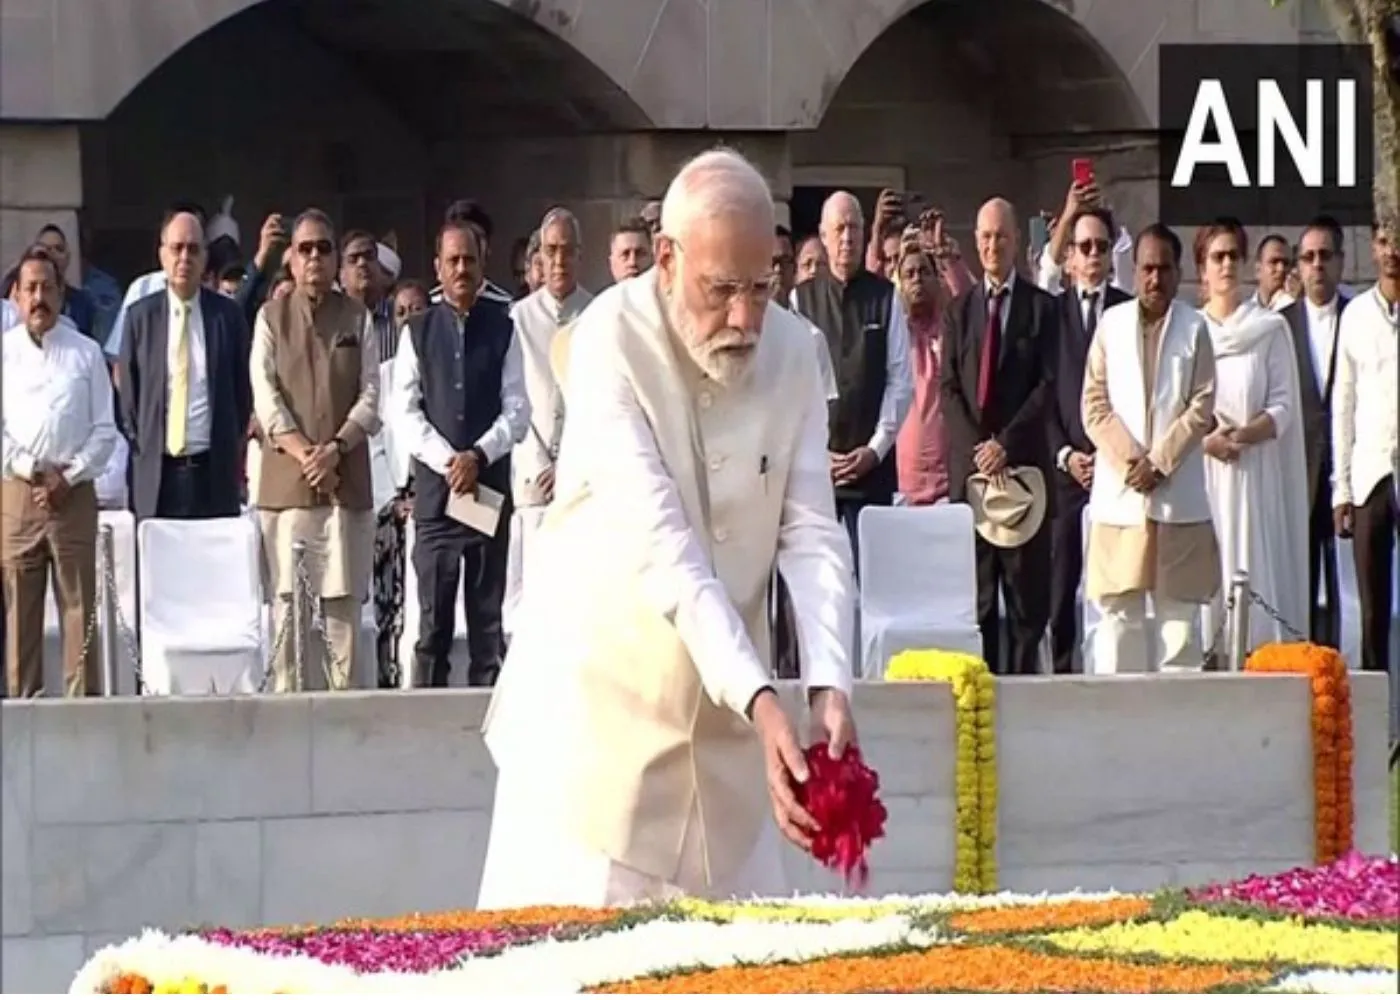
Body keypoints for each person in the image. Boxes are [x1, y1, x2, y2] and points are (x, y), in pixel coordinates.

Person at [478, 148, 855, 908]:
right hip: (593, 746)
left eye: (762, 285)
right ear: (665, 259)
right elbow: (664, 549)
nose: (746, 318)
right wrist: (763, 698)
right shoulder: (607, 341)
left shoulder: (794, 352)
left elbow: (812, 531)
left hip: (729, 753)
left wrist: (829, 684)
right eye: (721, 290)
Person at [391, 221, 528, 688]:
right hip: (436, 500)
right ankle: (426, 731)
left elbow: (518, 410)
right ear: (438, 268)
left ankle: (485, 732)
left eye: (469, 259)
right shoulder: (418, 330)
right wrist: (450, 461)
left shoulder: (504, 328)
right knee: (432, 630)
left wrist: (478, 456)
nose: (462, 269)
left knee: (487, 628)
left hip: (486, 493)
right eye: (453, 261)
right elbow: (404, 412)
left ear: (482, 263)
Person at [1081, 224, 1220, 673]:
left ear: (1178, 274)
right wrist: (1131, 462)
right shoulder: (1111, 325)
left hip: (1177, 495)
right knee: (1119, 617)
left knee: (1179, 620)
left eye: (1163, 268)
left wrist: (1159, 463)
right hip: (1121, 496)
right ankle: (1114, 726)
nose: (1154, 278)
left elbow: (1202, 405)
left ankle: (1180, 731)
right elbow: (1094, 403)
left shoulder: (1195, 327)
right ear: (1134, 271)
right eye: (1146, 268)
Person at [252, 209, 380, 692]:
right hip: (287, 490)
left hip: (344, 486)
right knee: (288, 612)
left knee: (342, 613)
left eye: (324, 248)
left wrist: (334, 450)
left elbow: (371, 395)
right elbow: (265, 398)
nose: (314, 258)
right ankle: (286, 724)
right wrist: (308, 454)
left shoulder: (357, 316)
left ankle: (346, 723)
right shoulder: (270, 317)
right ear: (290, 258)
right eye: (305, 248)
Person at [939, 197, 1057, 676]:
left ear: (1016, 242)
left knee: (1027, 605)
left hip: (1023, 471)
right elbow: (948, 388)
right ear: (976, 243)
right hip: (973, 479)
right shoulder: (958, 311)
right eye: (985, 237)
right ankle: (981, 708)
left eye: (1001, 237)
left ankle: (1027, 700)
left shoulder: (1042, 310)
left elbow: (1049, 386)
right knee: (979, 601)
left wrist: (1005, 444)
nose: (992, 246)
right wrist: (980, 450)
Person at [2, 246, 116, 697]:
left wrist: (67, 478)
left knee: (79, 611)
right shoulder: (4, 353)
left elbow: (105, 431)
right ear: (15, 296)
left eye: (47, 287)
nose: (38, 297)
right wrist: (32, 470)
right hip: (16, 496)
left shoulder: (86, 354)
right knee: (18, 621)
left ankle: (82, 721)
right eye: (29, 288)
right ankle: (20, 717)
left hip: (74, 495)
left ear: (62, 295)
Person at [1195, 220, 1310, 650]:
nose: (1225, 264)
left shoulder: (1268, 329)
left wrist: (1243, 435)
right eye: (1216, 257)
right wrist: (1209, 441)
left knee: (1254, 570)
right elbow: (1178, 407)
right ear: (1202, 269)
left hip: (1254, 473)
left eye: (1232, 256)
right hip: (1206, 475)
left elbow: (1284, 404)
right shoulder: (1191, 332)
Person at [793, 191, 912, 565]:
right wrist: (815, 450)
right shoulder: (801, 300)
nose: (847, 239)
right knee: (822, 584)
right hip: (818, 471)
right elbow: (794, 388)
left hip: (871, 471)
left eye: (855, 229)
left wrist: (875, 449)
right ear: (824, 236)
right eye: (840, 229)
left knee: (877, 580)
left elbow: (900, 381)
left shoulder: (887, 297)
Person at [118, 209, 253, 520]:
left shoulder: (227, 317)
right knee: (158, 566)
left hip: (212, 474)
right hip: (157, 476)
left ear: (205, 257)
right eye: (176, 248)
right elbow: (128, 401)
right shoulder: (140, 318)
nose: (184, 258)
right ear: (162, 254)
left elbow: (241, 393)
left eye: (193, 249)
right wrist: (146, 446)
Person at [1045, 207, 1131, 673]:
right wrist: (1065, 454)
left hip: (1112, 469)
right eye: (1084, 247)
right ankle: (1061, 677)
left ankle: (1109, 674)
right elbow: (1045, 389)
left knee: (1112, 589)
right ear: (1070, 259)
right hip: (1064, 471)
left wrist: (1108, 454)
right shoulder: (1051, 313)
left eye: (1101, 246)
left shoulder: (1126, 309)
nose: (1093, 255)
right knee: (1061, 589)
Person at [506, 208, 591, 637]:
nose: (559, 262)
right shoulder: (517, 318)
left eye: (567, 252)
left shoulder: (598, 316)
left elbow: (603, 404)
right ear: (539, 256)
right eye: (551, 251)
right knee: (531, 608)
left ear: (580, 255)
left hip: (580, 482)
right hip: (532, 476)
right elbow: (513, 398)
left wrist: (572, 464)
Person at [1278, 216, 1352, 648]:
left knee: (1347, 591)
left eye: (1325, 256)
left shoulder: (1357, 317)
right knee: (1299, 588)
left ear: (1340, 262)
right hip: (1297, 473)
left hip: (1348, 474)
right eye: (1308, 257)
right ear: (1298, 267)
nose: (1317, 265)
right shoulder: (1280, 325)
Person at [1331, 220, 1400, 675]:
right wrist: (1341, 488)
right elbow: (1344, 401)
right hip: (1371, 473)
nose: (1393, 250)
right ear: (1373, 248)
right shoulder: (1356, 314)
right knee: (1371, 611)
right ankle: (1380, 730)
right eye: (1384, 241)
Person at [893, 219, 974, 506]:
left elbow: (973, 305)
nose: (916, 279)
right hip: (903, 490)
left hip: (948, 487)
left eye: (924, 272)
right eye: (909, 274)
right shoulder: (896, 336)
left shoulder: (950, 330)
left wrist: (947, 258)